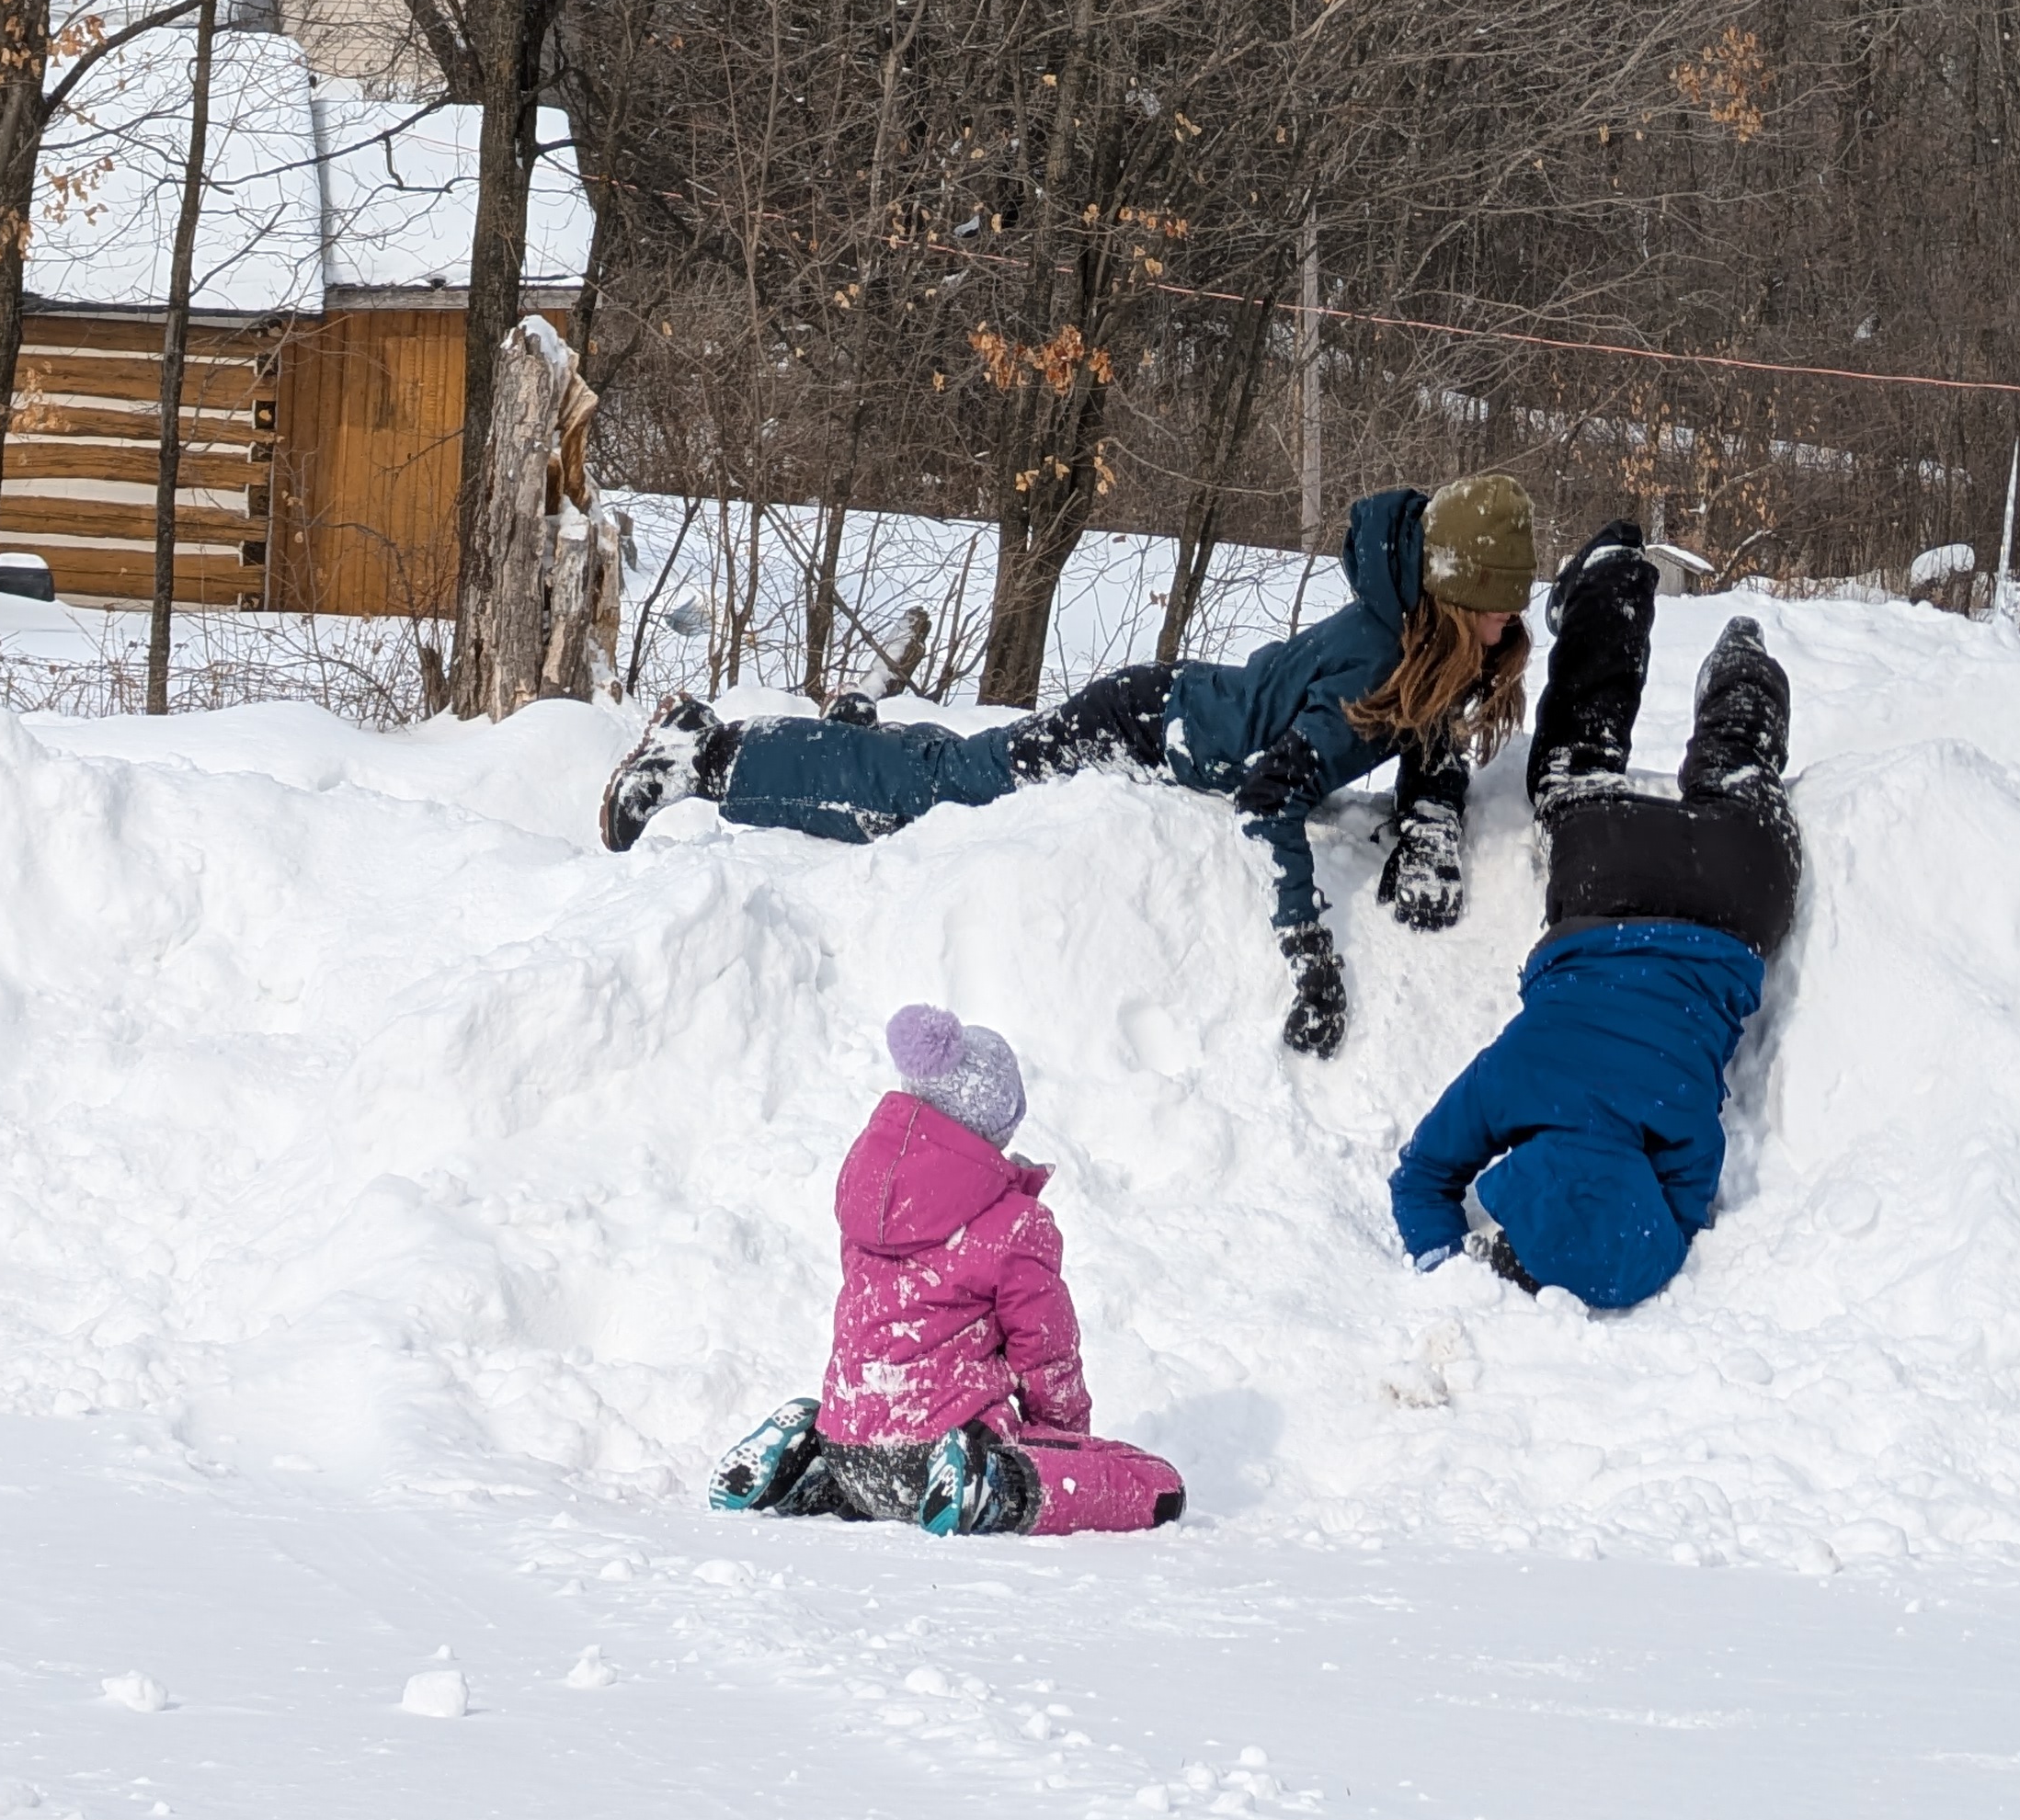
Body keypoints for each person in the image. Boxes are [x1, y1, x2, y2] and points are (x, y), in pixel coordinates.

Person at [601, 476, 1537, 1059]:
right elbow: (1270, 799)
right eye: (1499, 606)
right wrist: (1309, 952)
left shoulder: (1425, 634)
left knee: (955, 769)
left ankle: (850, 735)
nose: (1513, 623)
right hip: (1135, 728)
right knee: (944, 797)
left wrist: (1433, 813)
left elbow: (1428, 735)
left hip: (1165, 711)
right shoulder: (1378, 659)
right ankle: (710, 751)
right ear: (1453, 597)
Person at [1387, 524, 1800, 1312]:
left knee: (1738, 762)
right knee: (1579, 756)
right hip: (1609, 881)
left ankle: (1744, 671)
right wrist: (1446, 1262)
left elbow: (1682, 1211)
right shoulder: (1515, 1079)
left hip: (1731, 896)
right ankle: (1609, 583)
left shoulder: (1678, 1128)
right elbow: (1420, 1177)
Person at [712, 1001, 1186, 1536]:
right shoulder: (1014, 1224)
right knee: (1155, 1483)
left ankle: (810, 1466)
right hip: (943, 1451)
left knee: (878, 1476)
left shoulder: (864, 1195)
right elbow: (1045, 1352)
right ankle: (990, 1489)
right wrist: (1059, 1441)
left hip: (850, 1440)